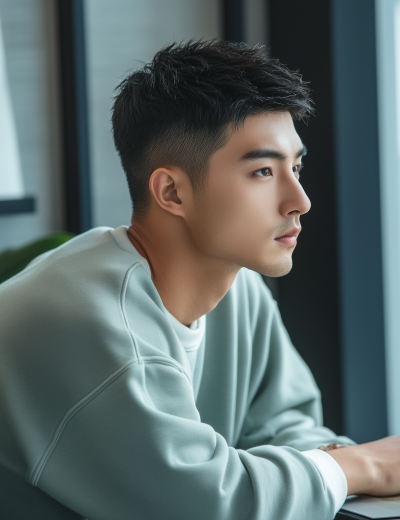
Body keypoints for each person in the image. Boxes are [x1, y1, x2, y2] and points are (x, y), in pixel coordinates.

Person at [0, 40, 399, 520]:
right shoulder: (91, 324)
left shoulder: (238, 290)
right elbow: (207, 505)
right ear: (171, 191)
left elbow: (284, 427)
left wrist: (330, 466)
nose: (300, 199)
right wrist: (360, 466)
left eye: (296, 167)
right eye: (263, 171)